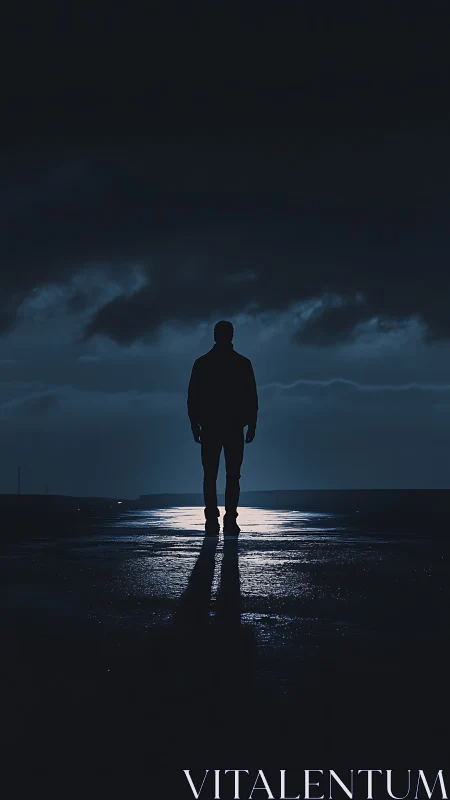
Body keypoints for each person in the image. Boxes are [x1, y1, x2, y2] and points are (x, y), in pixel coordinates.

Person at [188, 320, 258, 536]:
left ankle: (221, 519)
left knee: (219, 475)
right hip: (223, 427)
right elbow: (193, 396)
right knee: (222, 475)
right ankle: (220, 519)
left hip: (221, 427)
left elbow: (251, 396)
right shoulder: (236, 363)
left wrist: (252, 423)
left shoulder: (206, 363)